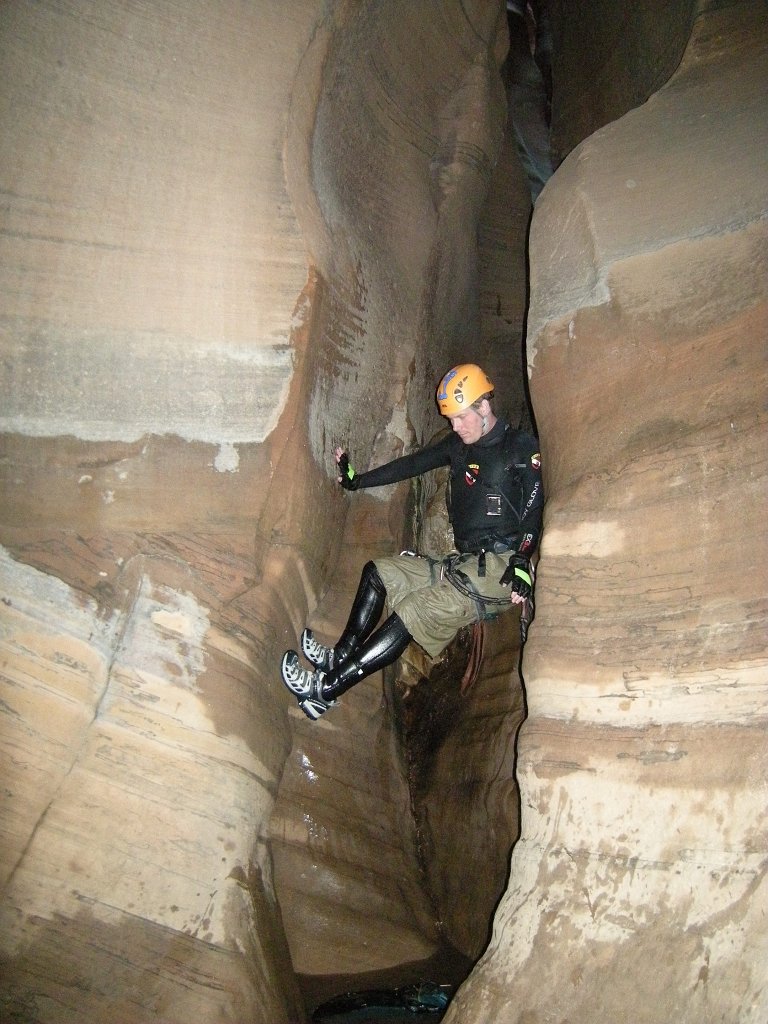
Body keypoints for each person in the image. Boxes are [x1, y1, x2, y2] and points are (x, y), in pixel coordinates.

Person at [280, 363, 544, 720]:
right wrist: (357, 481)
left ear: (484, 407)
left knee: (415, 611)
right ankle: (340, 655)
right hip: (463, 564)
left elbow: (535, 508)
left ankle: (324, 691)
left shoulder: (519, 447)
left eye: (461, 418)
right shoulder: (458, 446)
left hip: (501, 569)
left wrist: (522, 562)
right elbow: (411, 464)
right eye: (450, 419)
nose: (455, 426)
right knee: (379, 572)